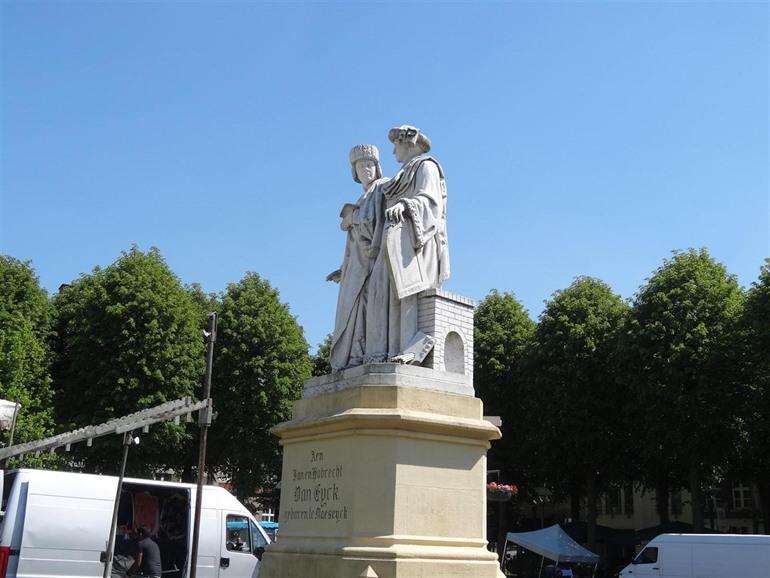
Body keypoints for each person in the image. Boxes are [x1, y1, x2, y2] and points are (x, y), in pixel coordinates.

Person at [364, 125, 449, 364]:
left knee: (408, 292)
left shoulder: (427, 166)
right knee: (382, 294)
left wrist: (405, 206)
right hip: (393, 242)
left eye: (396, 145)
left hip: (416, 242)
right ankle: (384, 352)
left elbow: (430, 201)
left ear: (408, 143)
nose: (393, 152)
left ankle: (409, 349)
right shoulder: (402, 173)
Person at [327, 144, 389, 370]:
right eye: (361, 166)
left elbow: (377, 228)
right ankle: (354, 355)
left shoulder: (382, 188)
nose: (366, 169)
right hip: (355, 267)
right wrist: (343, 269)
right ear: (355, 172)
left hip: (372, 265)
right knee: (352, 313)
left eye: (370, 164)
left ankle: (360, 355)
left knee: (363, 309)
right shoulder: (362, 197)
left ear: (377, 166)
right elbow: (354, 246)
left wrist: (352, 219)